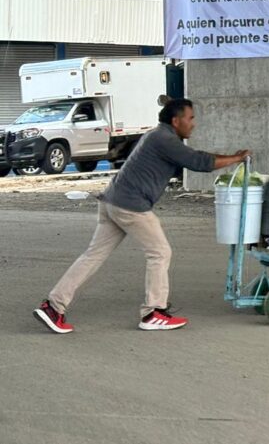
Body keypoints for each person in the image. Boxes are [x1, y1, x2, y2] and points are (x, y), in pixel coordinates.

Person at [33, 98, 249, 334]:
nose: (194, 124)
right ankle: (153, 312)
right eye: (191, 118)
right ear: (176, 121)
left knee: (92, 256)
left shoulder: (158, 135)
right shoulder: (163, 139)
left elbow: (197, 156)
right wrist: (236, 158)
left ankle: (54, 306)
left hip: (113, 201)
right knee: (160, 252)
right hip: (130, 205)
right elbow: (199, 161)